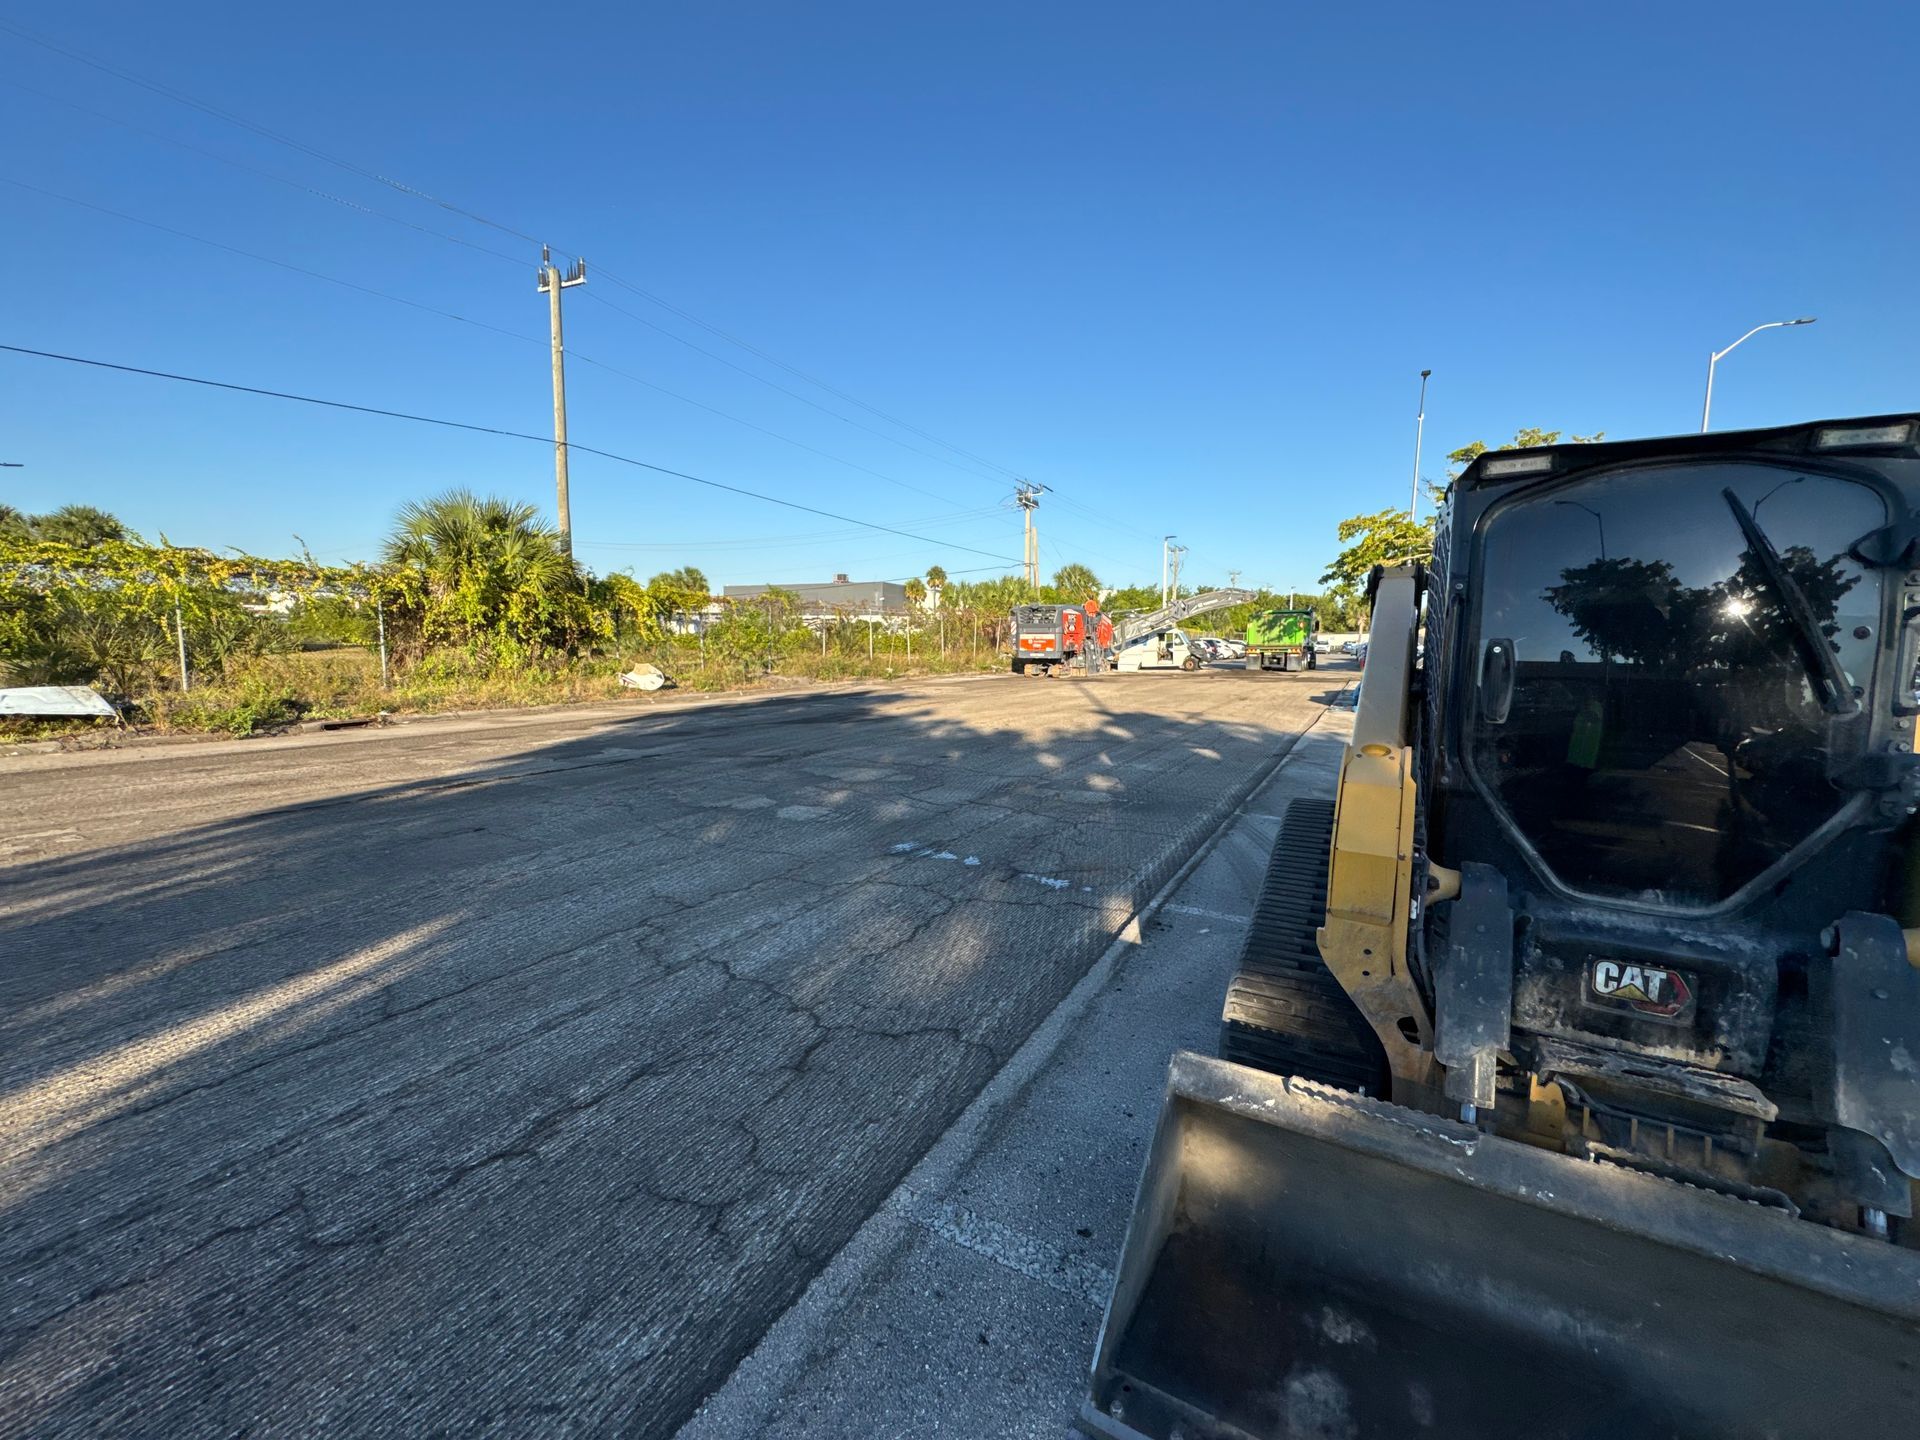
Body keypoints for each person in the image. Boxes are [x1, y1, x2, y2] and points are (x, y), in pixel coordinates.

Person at [1082, 595, 1105, 677]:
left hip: (1090, 626)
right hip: (1091, 626)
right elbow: (1097, 613)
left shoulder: (1088, 605)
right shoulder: (1092, 605)